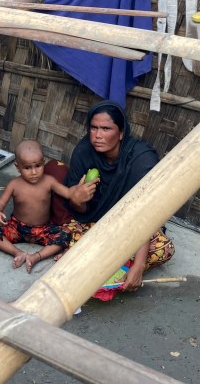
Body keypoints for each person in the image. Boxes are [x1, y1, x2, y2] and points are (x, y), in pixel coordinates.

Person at [65, 100, 175, 292]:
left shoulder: (141, 158)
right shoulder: (83, 152)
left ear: (122, 132)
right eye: (93, 128)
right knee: (65, 233)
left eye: (106, 128)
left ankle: (122, 268)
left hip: (134, 226)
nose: (98, 135)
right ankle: (113, 263)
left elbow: (146, 212)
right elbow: (81, 212)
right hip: (96, 223)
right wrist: (77, 200)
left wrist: (140, 264)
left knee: (163, 249)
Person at [0, 139, 73, 272]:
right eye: (27, 168)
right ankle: (17, 253)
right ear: (17, 167)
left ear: (43, 163)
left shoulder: (49, 181)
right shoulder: (14, 184)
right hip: (17, 228)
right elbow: (0, 204)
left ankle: (36, 257)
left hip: (43, 230)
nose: (33, 172)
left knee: (66, 234)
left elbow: (68, 193)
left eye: (38, 166)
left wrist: (79, 190)